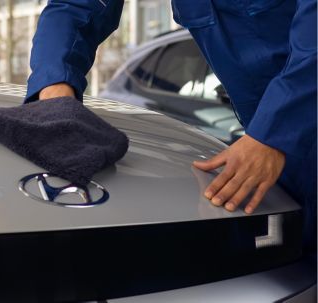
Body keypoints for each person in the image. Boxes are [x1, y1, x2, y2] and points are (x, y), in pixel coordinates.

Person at [25, 0, 316, 250]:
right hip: (272, 157)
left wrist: (275, 132)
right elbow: (76, 7)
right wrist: (54, 90)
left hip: (283, 134)